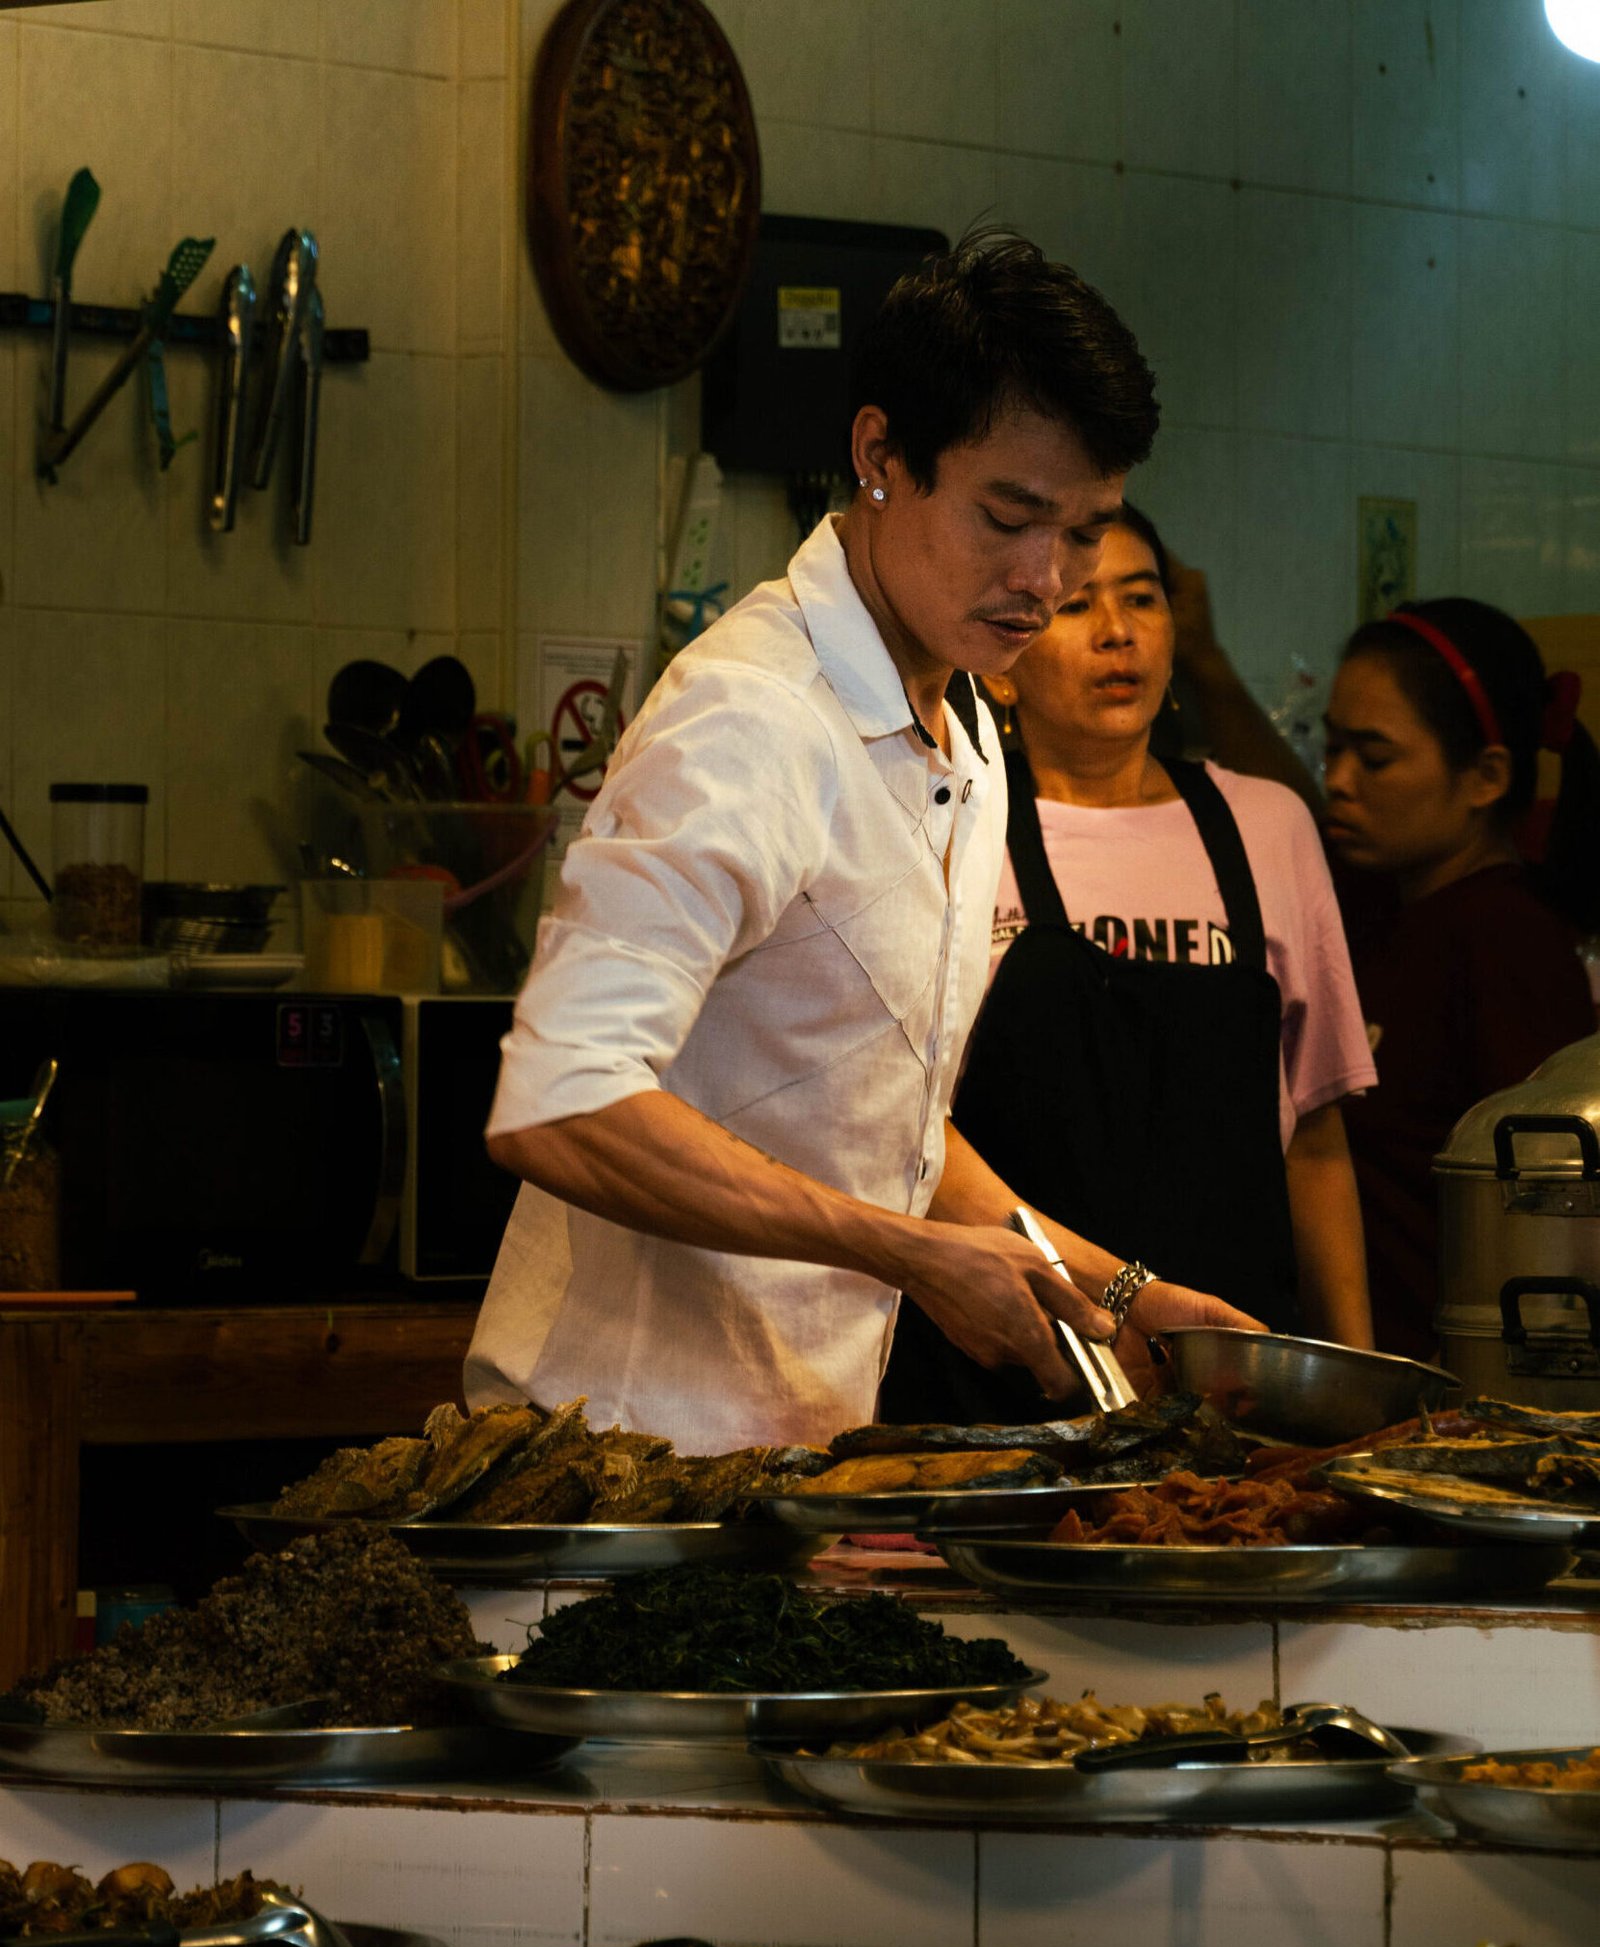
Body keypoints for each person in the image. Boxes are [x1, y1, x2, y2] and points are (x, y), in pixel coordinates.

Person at [466, 231, 1261, 1453]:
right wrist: (908, 1254)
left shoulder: (969, 729)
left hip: (792, 1455)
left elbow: (878, 1117)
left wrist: (1118, 1295)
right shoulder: (750, 717)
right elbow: (561, 1103)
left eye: (1084, 532)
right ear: (880, 455)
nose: (1045, 579)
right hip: (607, 1455)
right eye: (1008, 517)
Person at [880, 506, 1376, 1424]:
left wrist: (1352, 1384)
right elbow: (899, 1123)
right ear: (1003, 665)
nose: (1117, 632)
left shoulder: (1270, 827)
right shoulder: (950, 827)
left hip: (1238, 1370)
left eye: (1142, 599)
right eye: (1076, 606)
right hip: (1008, 1367)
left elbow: (1314, 1136)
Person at [1321, 599, 1599, 1359]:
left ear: (1485, 777)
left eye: (1374, 758)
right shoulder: (1383, 900)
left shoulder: (1506, 940)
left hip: (1451, 1380)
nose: (1337, 780)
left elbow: (1549, 1211)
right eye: (1332, 746)